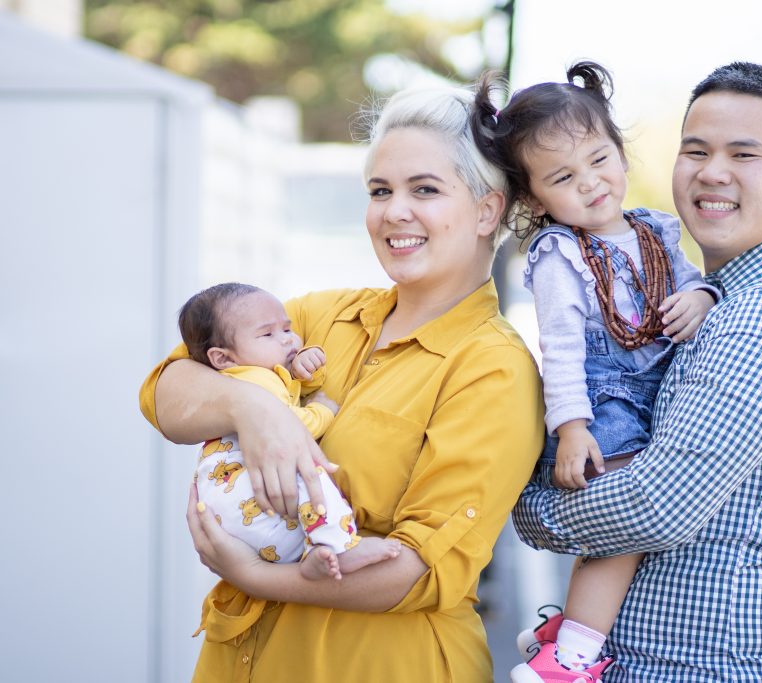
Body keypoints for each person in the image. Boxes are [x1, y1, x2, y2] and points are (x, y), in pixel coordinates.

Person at [138, 82, 545, 682]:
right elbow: (165, 393)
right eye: (380, 190)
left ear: (488, 209)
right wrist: (257, 411)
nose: (393, 212)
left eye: (424, 190)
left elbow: (415, 571)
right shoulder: (315, 315)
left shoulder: (493, 366)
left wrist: (253, 576)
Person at [513, 61, 762, 682]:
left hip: (707, 668)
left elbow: (654, 505)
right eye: (694, 150)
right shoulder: (713, 296)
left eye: (744, 154)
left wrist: (529, 506)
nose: (712, 172)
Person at [472, 62, 719, 682]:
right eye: (563, 176)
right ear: (534, 198)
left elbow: (692, 285)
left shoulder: (658, 228)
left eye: (599, 158)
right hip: (603, 402)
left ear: (620, 150)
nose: (590, 183)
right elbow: (560, 349)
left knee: (622, 537)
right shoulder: (560, 253)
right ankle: (569, 658)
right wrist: (574, 427)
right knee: (623, 529)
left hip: (662, 399)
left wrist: (705, 297)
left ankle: (569, 632)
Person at [179, 282, 401, 580]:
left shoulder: (244, 376)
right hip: (246, 497)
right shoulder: (256, 382)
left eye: (287, 328)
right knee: (310, 469)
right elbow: (289, 426)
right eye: (268, 334)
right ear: (223, 358)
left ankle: (313, 553)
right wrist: (323, 409)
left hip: (228, 511)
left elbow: (289, 391)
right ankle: (339, 545)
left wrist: (304, 370)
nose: (287, 340)